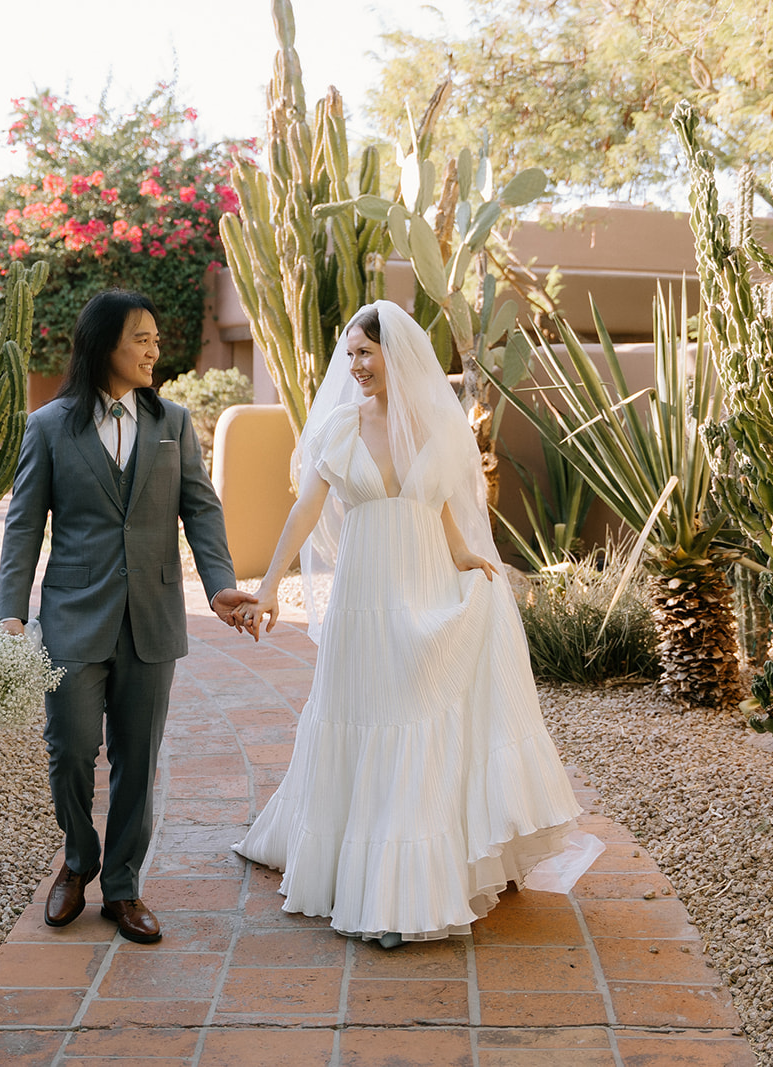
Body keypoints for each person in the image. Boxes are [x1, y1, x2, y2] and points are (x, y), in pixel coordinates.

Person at [232, 300, 603, 946]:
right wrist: (266, 588)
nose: (354, 366)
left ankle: (414, 879)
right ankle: (375, 882)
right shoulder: (339, 429)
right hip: (364, 599)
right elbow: (302, 514)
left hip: (426, 582)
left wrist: (464, 553)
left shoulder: (438, 429)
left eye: (364, 353)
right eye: (348, 355)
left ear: (395, 355)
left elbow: (441, 504)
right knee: (372, 717)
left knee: (419, 718)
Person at [0, 289, 257, 944]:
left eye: (156, 338)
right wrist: (11, 613)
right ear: (105, 343)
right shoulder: (49, 426)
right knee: (71, 751)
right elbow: (24, 526)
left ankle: (122, 887)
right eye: (140, 337)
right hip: (73, 615)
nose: (153, 349)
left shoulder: (172, 422)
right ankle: (78, 859)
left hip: (153, 616)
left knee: (138, 758)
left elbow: (200, 509)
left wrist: (220, 582)